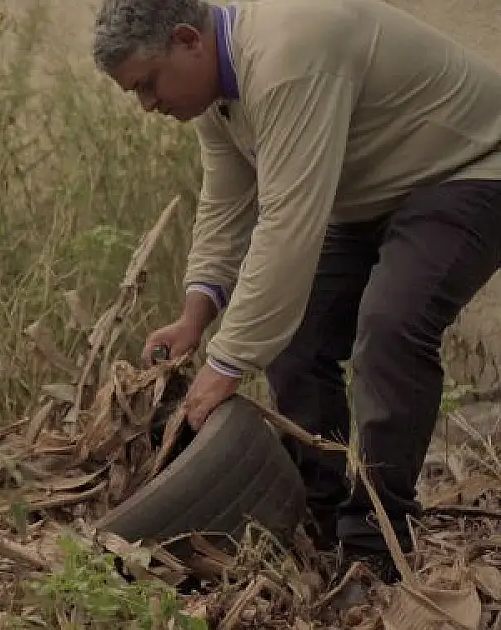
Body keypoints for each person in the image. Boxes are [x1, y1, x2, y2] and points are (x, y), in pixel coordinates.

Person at [90, 0, 501, 583]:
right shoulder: (217, 95)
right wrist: (194, 316)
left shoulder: (287, 53)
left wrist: (226, 364)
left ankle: (377, 543)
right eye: (135, 92)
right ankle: (321, 514)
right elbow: (228, 203)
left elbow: (287, 223)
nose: (148, 105)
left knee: (389, 329)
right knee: (299, 336)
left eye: (148, 84)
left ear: (188, 40)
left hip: (472, 168)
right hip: (371, 193)